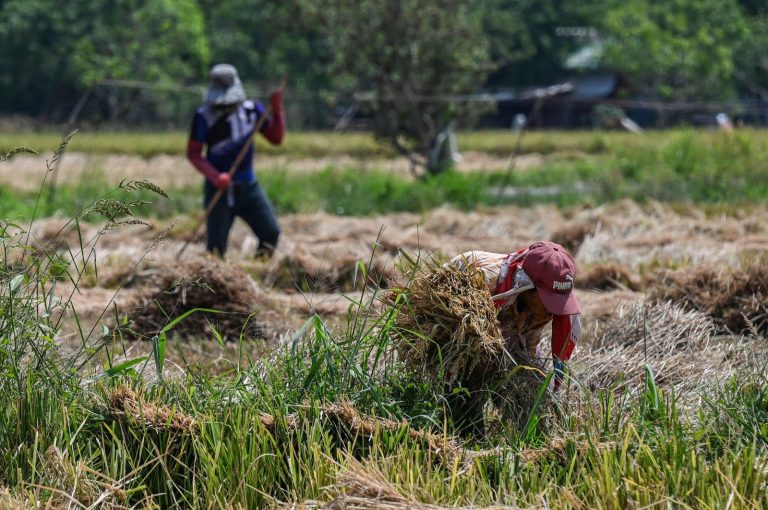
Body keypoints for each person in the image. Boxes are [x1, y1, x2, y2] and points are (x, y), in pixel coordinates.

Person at [448, 240, 582, 438]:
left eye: (559, 302)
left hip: (507, 317)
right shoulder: (483, 284)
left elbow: (527, 347)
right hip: (459, 320)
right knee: (470, 384)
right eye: (549, 302)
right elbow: (465, 349)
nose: (553, 312)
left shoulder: (545, 302)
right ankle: (466, 438)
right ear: (527, 288)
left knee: (528, 383)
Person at [186, 63, 285, 258]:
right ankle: (214, 283)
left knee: (271, 233)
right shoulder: (203, 117)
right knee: (216, 250)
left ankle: (258, 271)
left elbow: (276, 138)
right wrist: (215, 176)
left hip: (248, 186)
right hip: (219, 190)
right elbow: (194, 154)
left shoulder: (252, 110)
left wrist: (277, 110)